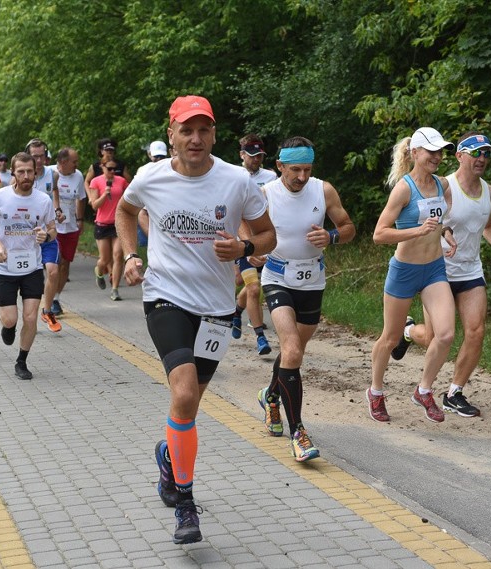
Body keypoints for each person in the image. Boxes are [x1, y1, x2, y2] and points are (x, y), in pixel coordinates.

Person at [115, 94, 276, 544]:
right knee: (183, 391)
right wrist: (131, 254)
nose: (196, 138)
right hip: (165, 297)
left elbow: (268, 237)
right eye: (187, 130)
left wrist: (244, 250)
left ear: (214, 135)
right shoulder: (151, 177)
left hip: (218, 310)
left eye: (204, 130)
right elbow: (125, 211)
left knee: (189, 404)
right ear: (172, 135)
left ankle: (169, 455)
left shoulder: (236, 181)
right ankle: (185, 503)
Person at [388, 133, 491, 417]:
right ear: (460, 155)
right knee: (437, 336)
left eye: (487, 154)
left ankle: (454, 392)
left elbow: (489, 225)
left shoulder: (490, 192)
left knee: (476, 331)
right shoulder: (442, 186)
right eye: (476, 153)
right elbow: (419, 219)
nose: (482, 159)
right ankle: (408, 331)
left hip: (471, 269)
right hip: (438, 270)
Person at [255, 136, 356, 462]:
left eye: (307, 169)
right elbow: (244, 223)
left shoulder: (323, 190)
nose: (301, 176)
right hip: (277, 276)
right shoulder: (266, 194)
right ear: (279, 166)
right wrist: (251, 248)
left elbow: (349, 227)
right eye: (295, 169)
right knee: (293, 348)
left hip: (313, 278)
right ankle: (298, 432)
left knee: (292, 353)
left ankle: (271, 397)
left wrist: (331, 236)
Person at [367, 127, 457, 423]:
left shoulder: (443, 184)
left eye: (440, 151)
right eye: (431, 151)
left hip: (434, 269)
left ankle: (424, 390)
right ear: (415, 153)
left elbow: (441, 219)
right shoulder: (404, 189)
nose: (437, 157)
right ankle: (376, 392)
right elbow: (379, 234)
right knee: (390, 338)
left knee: (445, 334)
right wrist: (417, 231)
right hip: (404, 270)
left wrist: (446, 233)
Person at [0, 152, 56, 380]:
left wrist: (47, 235)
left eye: (29, 171)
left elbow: (52, 229)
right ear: (13, 172)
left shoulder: (43, 200)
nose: (25, 176)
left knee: (31, 317)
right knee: (10, 319)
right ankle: (8, 326)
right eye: (21, 171)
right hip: (5, 268)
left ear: (35, 172)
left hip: (32, 267)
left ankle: (21, 361)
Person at [232, 134, 278, 355]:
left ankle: (236, 311)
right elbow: (237, 214)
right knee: (252, 287)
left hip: (266, 241)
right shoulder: (232, 176)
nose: (256, 159)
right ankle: (260, 337)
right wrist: (246, 244)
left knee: (258, 285)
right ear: (242, 155)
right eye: (252, 155)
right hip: (243, 243)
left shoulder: (271, 177)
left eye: (260, 155)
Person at [26, 138, 63, 332]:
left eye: (41, 156)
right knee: (28, 277)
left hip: (47, 232)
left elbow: (54, 194)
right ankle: (27, 312)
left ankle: (47, 310)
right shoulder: (22, 176)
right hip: (25, 236)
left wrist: (57, 211)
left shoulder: (53, 174)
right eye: (34, 157)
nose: (39, 160)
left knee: (53, 270)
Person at [50, 147, 86, 315]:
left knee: (65, 264)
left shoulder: (78, 175)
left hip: (70, 227)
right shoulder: (49, 173)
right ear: (63, 162)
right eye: (74, 161)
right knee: (54, 264)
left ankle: (56, 298)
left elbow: (81, 198)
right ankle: (48, 298)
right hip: (52, 227)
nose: (77, 164)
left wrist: (80, 219)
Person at [88, 158, 128, 301]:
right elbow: (95, 206)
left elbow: (127, 199)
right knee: (104, 260)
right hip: (103, 224)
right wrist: (105, 194)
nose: (112, 172)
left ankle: (115, 289)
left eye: (114, 169)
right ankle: (99, 272)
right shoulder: (96, 181)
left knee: (118, 255)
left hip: (118, 223)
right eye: (109, 168)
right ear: (102, 167)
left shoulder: (121, 181)